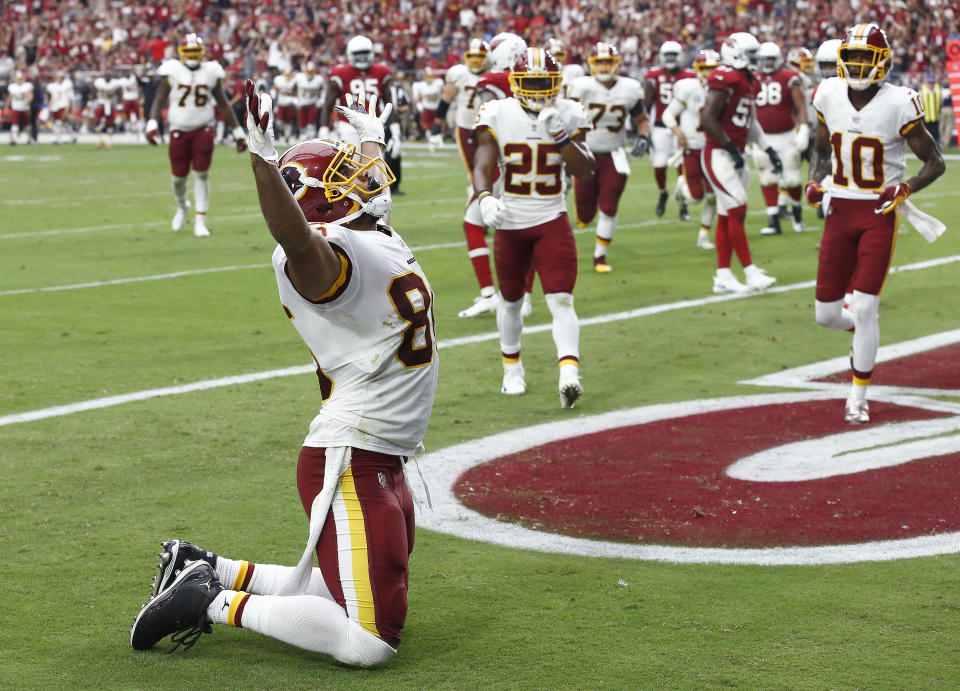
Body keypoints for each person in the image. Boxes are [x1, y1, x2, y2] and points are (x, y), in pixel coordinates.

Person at [130, 84, 438, 667]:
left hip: (384, 451)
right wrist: (263, 161)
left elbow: (355, 195)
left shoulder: (366, 230)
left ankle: (205, 565)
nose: (366, 182)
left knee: (334, 590)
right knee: (369, 643)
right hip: (353, 451)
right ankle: (209, 602)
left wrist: (368, 134)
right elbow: (294, 234)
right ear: (316, 208)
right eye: (346, 178)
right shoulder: (324, 255)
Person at [807, 23, 944, 424]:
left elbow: (934, 162)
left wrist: (906, 188)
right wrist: (815, 180)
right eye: (851, 57)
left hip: (876, 213)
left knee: (866, 306)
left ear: (882, 62)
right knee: (827, 316)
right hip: (838, 211)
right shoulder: (827, 92)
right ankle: (860, 334)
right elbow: (820, 150)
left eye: (866, 57)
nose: (858, 64)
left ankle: (858, 394)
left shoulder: (899, 101)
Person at [473, 47, 594, 406]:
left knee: (561, 296)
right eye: (533, 82)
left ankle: (569, 372)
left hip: (550, 218)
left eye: (546, 82)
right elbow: (484, 161)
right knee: (509, 301)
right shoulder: (498, 112)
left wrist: (560, 137)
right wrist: (484, 197)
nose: (540, 89)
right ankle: (512, 369)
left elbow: (586, 170)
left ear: (557, 83)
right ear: (516, 83)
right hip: (510, 220)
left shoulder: (569, 113)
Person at [700, 31, 781, 294]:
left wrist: (769, 150)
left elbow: (752, 122)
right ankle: (749, 271)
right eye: (751, 54)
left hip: (735, 153)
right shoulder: (726, 76)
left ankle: (723, 276)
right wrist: (730, 148)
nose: (755, 60)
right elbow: (708, 119)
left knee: (727, 215)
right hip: (719, 154)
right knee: (737, 209)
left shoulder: (749, 80)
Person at [146, 33, 247, 238]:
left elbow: (223, 104)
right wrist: (152, 124)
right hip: (178, 129)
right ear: (181, 53)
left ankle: (200, 220)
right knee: (178, 179)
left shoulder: (211, 71)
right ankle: (183, 206)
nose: (192, 56)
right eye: (189, 52)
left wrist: (238, 133)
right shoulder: (172, 70)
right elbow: (159, 99)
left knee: (202, 174)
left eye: (195, 52)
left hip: (204, 127)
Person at [433, 38, 501, 318]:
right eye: (471, 56)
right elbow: (446, 98)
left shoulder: (495, 73)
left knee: (482, 177)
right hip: (466, 129)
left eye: (479, 56)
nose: (475, 61)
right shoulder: (459, 73)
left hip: (489, 129)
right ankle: (480, 203)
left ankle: (481, 206)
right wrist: (437, 127)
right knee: (473, 175)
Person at [567, 41, 648, 273]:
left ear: (617, 63)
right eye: (600, 61)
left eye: (608, 61)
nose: (604, 66)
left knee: (610, 205)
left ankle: (599, 257)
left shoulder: (629, 88)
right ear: (592, 64)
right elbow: (565, 116)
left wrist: (643, 136)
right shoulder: (580, 87)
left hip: (615, 153)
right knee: (585, 212)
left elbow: (642, 120)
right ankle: (584, 216)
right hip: (585, 152)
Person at [661, 48, 721, 251]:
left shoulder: (724, 89)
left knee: (713, 197)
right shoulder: (690, 88)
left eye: (713, 68)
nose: (709, 73)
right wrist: (678, 132)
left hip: (714, 148)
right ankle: (681, 185)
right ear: (697, 69)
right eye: (705, 68)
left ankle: (704, 235)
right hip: (692, 148)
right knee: (696, 196)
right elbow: (668, 115)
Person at [321, 35, 400, 188]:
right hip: (348, 126)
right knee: (352, 165)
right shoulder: (340, 72)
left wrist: (396, 134)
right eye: (359, 55)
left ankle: (371, 200)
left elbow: (390, 104)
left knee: (375, 167)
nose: (362, 59)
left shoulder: (381, 71)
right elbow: (328, 104)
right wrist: (324, 132)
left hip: (374, 125)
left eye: (365, 54)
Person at [753, 42, 809, 235]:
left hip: (786, 135)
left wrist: (803, 129)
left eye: (770, 59)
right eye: (764, 60)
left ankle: (797, 211)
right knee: (767, 177)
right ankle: (773, 220)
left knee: (792, 179)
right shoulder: (752, 77)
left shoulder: (788, 77)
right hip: (762, 137)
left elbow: (800, 105)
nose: (767, 64)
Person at [643, 41, 697, 219]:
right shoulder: (654, 75)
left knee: (682, 167)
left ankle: (683, 204)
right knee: (659, 164)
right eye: (668, 55)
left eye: (674, 55)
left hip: (682, 127)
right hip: (660, 127)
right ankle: (663, 192)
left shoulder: (690, 75)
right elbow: (647, 103)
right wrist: (643, 130)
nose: (671, 59)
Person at [412, 66, 443, 148]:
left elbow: (443, 94)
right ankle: (431, 141)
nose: (429, 78)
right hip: (426, 108)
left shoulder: (438, 83)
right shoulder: (420, 85)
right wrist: (419, 106)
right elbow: (418, 98)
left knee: (438, 126)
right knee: (428, 127)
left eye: (430, 76)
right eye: (427, 76)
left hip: (437, 108)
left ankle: (439, 141)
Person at [295, 61, 324, 140]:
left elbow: (323, 90)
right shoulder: (299, 77)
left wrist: (321, 100)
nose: (310, 74)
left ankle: (311, 136)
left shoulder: (318, 79)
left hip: (312, 103)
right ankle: (303, 135)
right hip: (302, 103)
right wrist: (295, 99)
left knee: (312, 122)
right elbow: (292, 88)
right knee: (302, 122)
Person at [45, 71, 75, 144]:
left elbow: (71, 98)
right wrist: (49, 106)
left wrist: (73, 108)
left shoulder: (67, 85)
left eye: (60, 78)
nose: (59, 79)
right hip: (55, 106)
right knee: (64, 123)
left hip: (63, 105)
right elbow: (51, 96)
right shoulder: (52, 86)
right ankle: (73, 136)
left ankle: (56, 138)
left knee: (58, 122)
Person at [6, 71, 34, 145]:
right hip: (16, 107)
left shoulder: (27, 85)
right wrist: (6, 107)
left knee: (27, 125)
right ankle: (14, 140)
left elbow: (31, 95)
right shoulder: (12, 86)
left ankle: (29, 139)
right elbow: (9, 97)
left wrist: (27, 101)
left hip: (25, 108)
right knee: (15, 124)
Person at [272, 66, 298, 144]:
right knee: (279, 122)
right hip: (281, 103)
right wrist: (273, 92)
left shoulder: (294, 81)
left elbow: (296, 91)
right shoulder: (279, 79)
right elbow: (274, 88)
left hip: (290, 104)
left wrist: (295, 99)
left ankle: (287, 137)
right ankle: (283, 134)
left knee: (288, 122)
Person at [920, 73, 943, 150]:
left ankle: (936, 147)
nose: (931, 85)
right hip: (926, 117)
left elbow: (940, 102)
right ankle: (927, 147)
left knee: (936, 134)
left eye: (932, 83)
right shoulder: (923, 91)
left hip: (935, 117)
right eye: (930, 83)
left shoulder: (937, 91)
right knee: (927, 133)